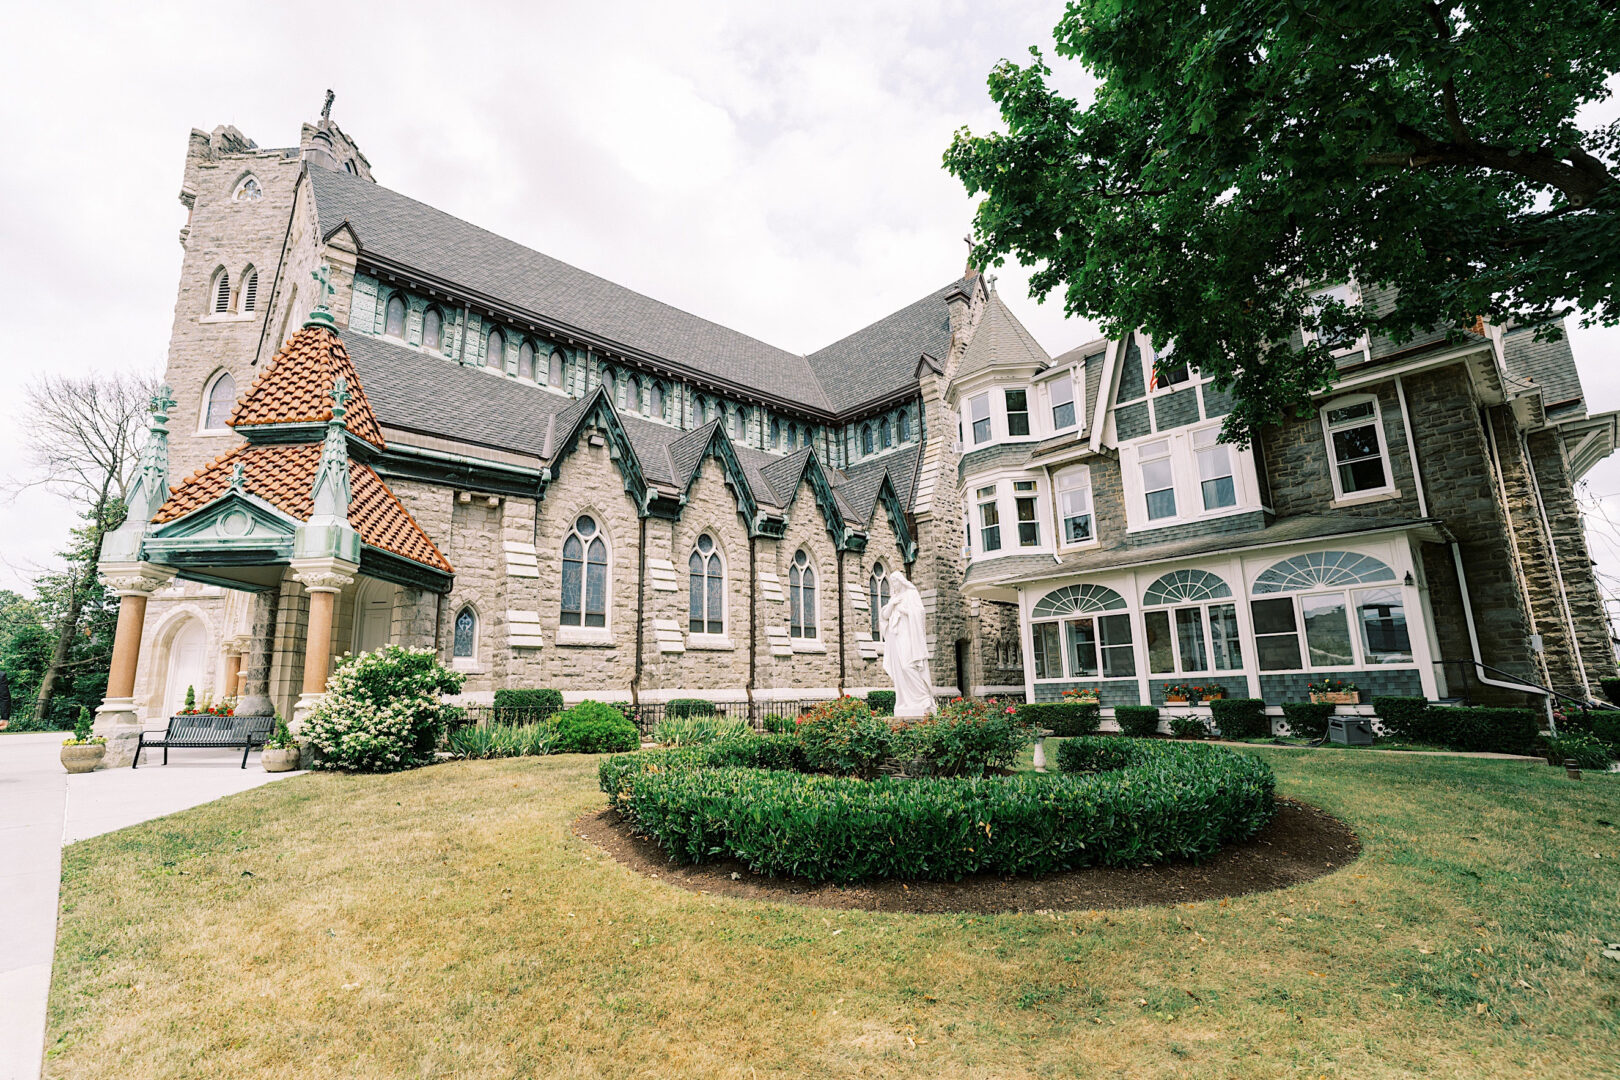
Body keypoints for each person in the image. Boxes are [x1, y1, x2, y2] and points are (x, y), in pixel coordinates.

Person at [880, 570, 935, 718]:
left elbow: (920, 613)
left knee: (908, 665)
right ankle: (906, 702)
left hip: (908, 635)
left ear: (901, 581)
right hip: (895, 637)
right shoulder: (894, 597)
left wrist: (904, 610)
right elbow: (885, 616)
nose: (894, 585)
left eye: (895, 582)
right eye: (892, 583)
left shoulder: (911, 594)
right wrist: (891, 605)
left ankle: (924, 698)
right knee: (900, 670)